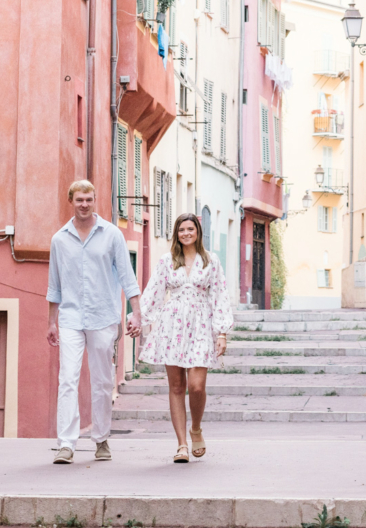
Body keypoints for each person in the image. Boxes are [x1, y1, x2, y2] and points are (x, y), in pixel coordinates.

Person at [46, 179, 142, 464]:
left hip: (103, 317)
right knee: (67, 379)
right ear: (71, 201)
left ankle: (101, 439)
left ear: (95, 200)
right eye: (79, 200)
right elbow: (55, 285)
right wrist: (52, 322)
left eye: (89, 199)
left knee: (101, 381)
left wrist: (136, 313)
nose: (84, 204)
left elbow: (127, 277)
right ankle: (66, 443)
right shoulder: (59, 239)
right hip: (72, 318)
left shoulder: (112, 235)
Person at [138, 213, 232, 463]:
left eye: (190, 229)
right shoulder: (167, 260)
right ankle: (181, 444)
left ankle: (196, 428)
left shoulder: (211, 260)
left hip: (201, 325)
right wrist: (140, 318)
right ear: (176, 233)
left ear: (198, 232)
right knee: (177, 387)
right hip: (172, 326)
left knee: (197, 386)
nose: (186, 233)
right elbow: (154, 291)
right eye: (181, 229)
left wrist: (221, 332)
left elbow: (220, 295)